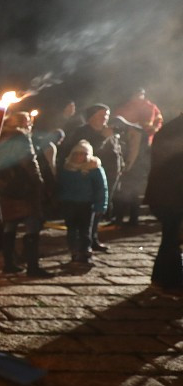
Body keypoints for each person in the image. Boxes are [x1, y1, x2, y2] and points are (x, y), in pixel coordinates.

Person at [0, 111, 51, 277]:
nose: (30, 124)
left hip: (5, 187)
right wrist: (38, 182)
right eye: (27, 121)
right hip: (24, 187)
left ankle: (9, 263)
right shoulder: (21, 137)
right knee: (32, 226)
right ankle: (33, 266)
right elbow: (29, 161)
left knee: (10, 226)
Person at [69, 104, 122, 252]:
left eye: (106, 115)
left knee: (100, 207)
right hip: (90, 176)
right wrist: (102, 137)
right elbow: (84, 153)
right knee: (89, 208)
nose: (105, 118)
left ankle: (94, 237)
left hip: (110, 175)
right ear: (92, 116)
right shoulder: (83, 132)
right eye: (101, 115)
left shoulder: (108, 131)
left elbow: (116, 150)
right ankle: (84, 239)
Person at [146, 113, 183, 294]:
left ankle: (163, 279)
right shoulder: (175, 131)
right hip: (172, 196)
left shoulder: (170, 129)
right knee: (172, 238)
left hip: (166, 195)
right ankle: (169, 280)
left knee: (171, 237)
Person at [55, 141, 107, 265]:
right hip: (69, 203)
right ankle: (74, 251)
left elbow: (101, 188)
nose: (79, 157)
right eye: (77, 154)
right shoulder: (67, 168)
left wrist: (101, 205)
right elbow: (61, 186)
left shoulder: (94, 169)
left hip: (86, 204)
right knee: (71, 229)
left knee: (85, 230)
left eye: (83, 154)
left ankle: (85, 252)